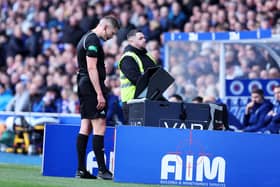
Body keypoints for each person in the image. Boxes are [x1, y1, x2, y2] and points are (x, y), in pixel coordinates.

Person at [75, 16, 120, 180]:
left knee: (85, 127)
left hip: (84, 84)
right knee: (99, 126)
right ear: (106, 27)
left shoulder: (86, 37)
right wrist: (100, 93)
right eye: (112, 33)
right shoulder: (93, 40)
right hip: (91, 86)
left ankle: (81, 170)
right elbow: (91, 67)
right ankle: (102, 170)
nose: (111, 37)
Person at [118, 29, 159, 124]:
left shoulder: (148, 56)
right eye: (140, 38)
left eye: (144, 37)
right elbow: (136, 79)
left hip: (149, 100)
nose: (144, 40)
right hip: (132, 103)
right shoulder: (127, 58)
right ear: (131, 41)